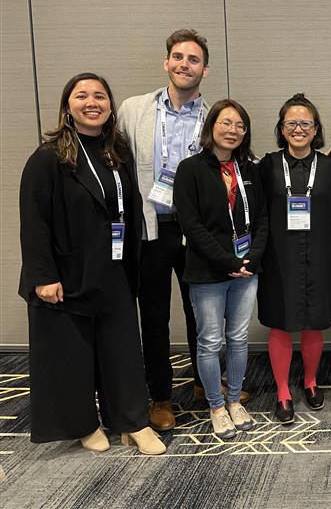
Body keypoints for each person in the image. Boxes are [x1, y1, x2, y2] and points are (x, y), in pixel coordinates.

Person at [19, 73, 165, 455]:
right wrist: (43, 275)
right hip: (67, 275)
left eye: (100, 96)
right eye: (81, 95)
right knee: (73, 357)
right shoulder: (48, 157)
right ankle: (84, 424)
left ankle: (132, 422)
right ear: (68, 106)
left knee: (123, 352)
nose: (92, 102)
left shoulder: (115, 151)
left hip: (113, 269)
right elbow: (34, 221)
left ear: (110, 106)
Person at [118, 29, 248, 434]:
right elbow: (117, 165)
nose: (184, 64)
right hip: (153, 229)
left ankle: (203, 381)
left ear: (204, 70)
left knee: (200, 314)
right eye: (178, 57)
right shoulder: (134, 110)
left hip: (197, 235)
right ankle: (160, 395)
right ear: (166, 62)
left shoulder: (214, 118)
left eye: (193, 60)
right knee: (154, 316)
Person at [173, 99, 267, 438]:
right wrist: (227, 261)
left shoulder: (249, 170)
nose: (233, 130)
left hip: (245, 270)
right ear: (211, 126)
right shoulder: (190, 169)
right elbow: (191, 224)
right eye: (226, 123)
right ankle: (215, 404)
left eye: (240, 125)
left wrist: (252, 259)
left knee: (239, 338)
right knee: (210, 341)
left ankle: (234, 400)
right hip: (207, 272)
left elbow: (263, 220)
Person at [259, 94, 331, 424]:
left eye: (305, 123)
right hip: (279, 257)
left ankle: (310, 381)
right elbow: (259, 213)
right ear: (281, 128)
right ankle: (282, 392)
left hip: (319, 255)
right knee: (281, 320)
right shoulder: (266, 166)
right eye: (291, 123)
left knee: (314, 321)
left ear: (316, 128)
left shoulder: (330, 167)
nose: (298, 129)